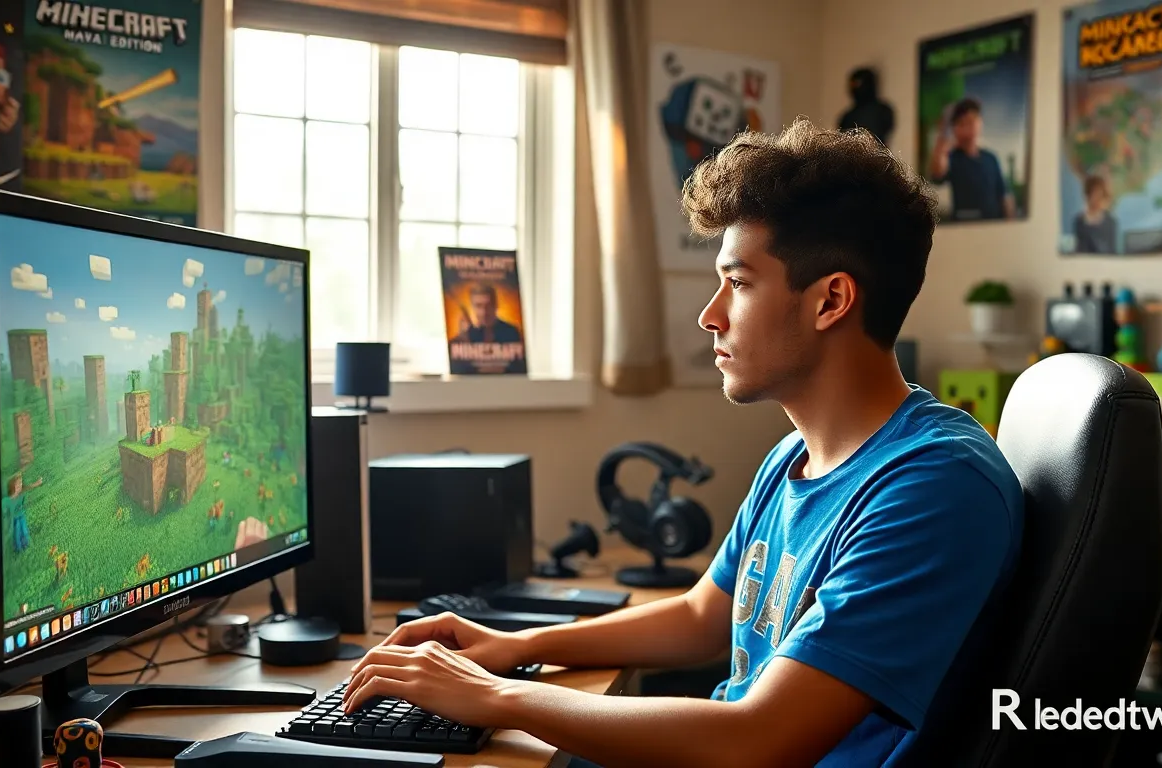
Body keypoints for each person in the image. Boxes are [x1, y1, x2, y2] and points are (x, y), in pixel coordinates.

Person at [343, 118, 1026, 767]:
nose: (711, 315)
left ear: (830, 301)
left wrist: (495, 697)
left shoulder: (932, 485)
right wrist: (513, 647)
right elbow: (706, 614)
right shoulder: (796, 455)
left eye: (738, 283)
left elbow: (756, 744)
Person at [928, 97, 1015, 221]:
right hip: (964, 230)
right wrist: (944, 132)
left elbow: (1004, 195)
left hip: (994, 227)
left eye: (974, 119)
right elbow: (937, 172)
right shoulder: (952, 157)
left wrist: (1010, 225)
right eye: (964, 122)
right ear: (955, 128)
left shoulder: (991, 158)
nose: (971, 125)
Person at [452, 283, 523, 345]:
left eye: (488, 306)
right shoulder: (467, 334)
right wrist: (464, 337)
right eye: (478, 306)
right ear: (472, 307)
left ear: (496, 305)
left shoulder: (511, 332)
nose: (484, 312)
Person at [1073, 175, 1118, 254]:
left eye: (1101, 195)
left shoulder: (1111, 222)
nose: (1097, 199)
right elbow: (1079, 250)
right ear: (1088, 196)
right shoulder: (1079, 222)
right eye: (1095, 194)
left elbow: (1112, 252)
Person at [3, 472, 41, 553]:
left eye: (21, 482)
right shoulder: (7, 500)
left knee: (24, 531)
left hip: (21, 515)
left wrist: (37, 483)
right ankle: (18, 549)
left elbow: (29, 487)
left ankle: (25, 546)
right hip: (14, 519)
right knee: (17, 534)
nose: (20, 485)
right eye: (18, 484)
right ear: (12, 486)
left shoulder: (22, 493)